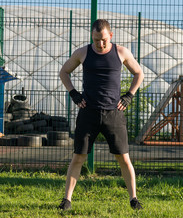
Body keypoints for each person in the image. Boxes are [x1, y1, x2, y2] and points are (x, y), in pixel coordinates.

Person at [58, 19, 144, 210]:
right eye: (96, 40)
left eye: (103, 39)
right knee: (78, 156)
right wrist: (73, 93)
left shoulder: (121, 52)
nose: (100, 44)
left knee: (123, 157)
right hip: (88, 113)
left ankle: (134, 199)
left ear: (110, 36)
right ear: (92, 37)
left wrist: (129, 95)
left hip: (114, 113)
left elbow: (139, 73)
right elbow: (64, 72)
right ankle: (67, 200)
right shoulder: (83, 52)